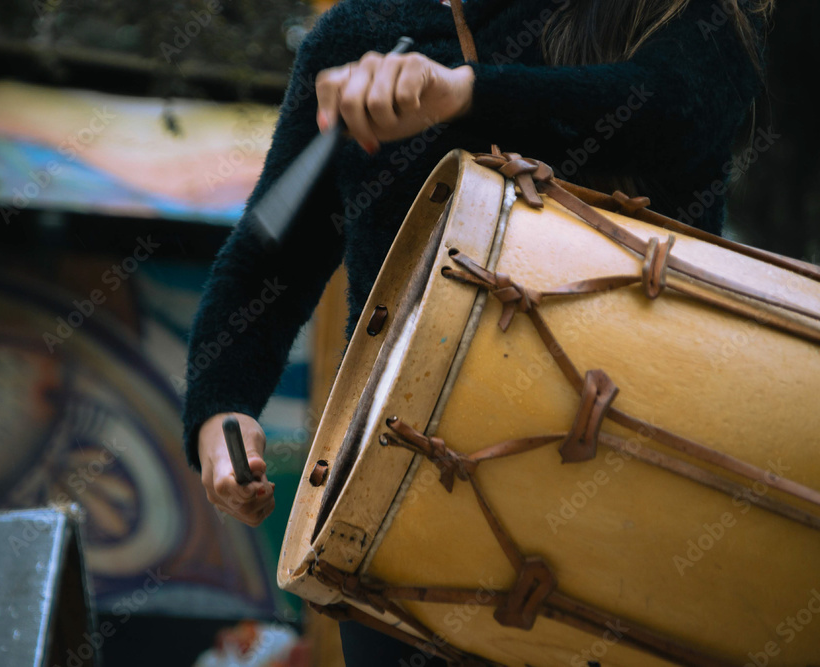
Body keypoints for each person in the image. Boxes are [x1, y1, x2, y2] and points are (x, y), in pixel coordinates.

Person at [183, 0, 773, 663]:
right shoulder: (362, 37)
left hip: (629, 509)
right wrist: (219, 409)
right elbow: (270, 261)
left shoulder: (685, 15)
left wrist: (461, 93)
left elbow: (675, 109)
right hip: (391, 520)